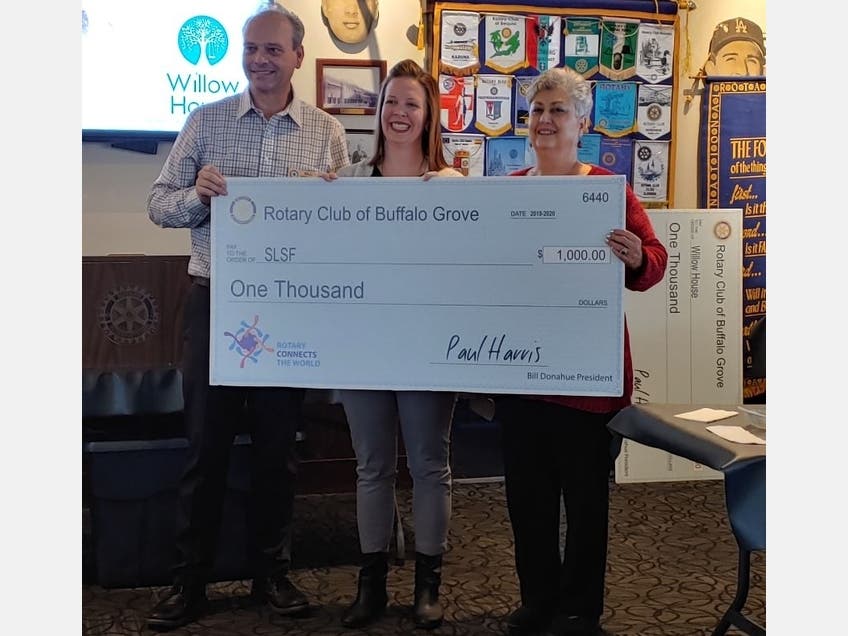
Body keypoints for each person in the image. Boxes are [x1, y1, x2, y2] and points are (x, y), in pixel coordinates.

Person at [145, 4, 349, 631]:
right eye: (250, 49)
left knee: (276, 451)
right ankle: (190, 582)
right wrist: (197, 197)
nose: (260, 60)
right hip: (216, 303)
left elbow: (346, 227)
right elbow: (158, 204)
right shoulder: (204, 123)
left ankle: (272, 574)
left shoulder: (325, 133)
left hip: (289, 308)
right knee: (204, 447)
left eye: (272, 49)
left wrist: (329, 203)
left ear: (297, 55)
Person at [495, 67, 668, 636]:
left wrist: (637, 257)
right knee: (528, 501)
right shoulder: (507, 190)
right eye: (537, 109)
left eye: (557, 110)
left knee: (587, 505)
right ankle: (537, 600)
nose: (544, 119)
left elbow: (655, 263)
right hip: (521, 379)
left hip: (588, 384)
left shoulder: (608, 191)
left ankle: (580, 610)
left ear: (583, 122)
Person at [326, 58, 463, 630]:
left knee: (430, 465)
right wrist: (308, 200)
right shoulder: (349, 183)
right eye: (390, 102)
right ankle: (371, 582)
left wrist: (460, 199)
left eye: (411, 103)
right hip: (364, 346)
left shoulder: (455, 186)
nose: (399, 113)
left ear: (429, 114)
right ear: (378, 113)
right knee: (371, 467)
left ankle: (428, 582)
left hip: (428, 346)